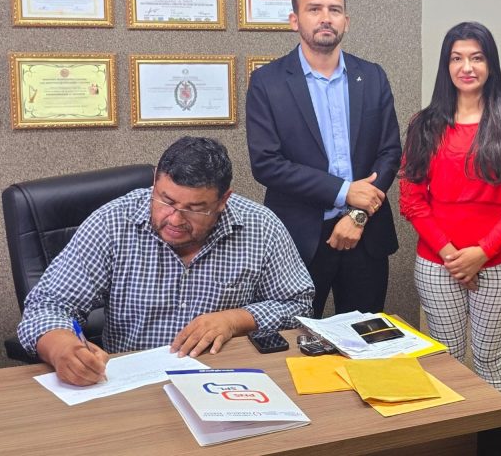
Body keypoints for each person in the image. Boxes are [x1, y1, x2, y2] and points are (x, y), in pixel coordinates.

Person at [17, 136, 315, 386]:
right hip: (130, 385)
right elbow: (47, 305)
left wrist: (235, 320)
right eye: (166, 201)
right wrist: (61, 348)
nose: (174, 219)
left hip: (224, 380)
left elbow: (299, 306)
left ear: (223, 201)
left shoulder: (260, 227)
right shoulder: (113, 222)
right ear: (155, 183)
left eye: (194, 209)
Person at [246, 0, 401, 317]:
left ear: (346, 21)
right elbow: (267, 163)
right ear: (295, 20)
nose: (325, 18)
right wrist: (345, 192)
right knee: (295, 334)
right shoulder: (267, 82)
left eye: (335, 10)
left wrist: (358, 213)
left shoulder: (372, 76)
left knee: (364, 334)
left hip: (365, 233)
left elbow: (389, 152)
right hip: (299, 239)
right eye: (314, 9)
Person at [399, 21, 501, 392]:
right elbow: (412, 200)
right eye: (457, 58)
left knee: (489, 357)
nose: (467, 67)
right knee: (445, 360)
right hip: (437, 264)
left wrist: (482, 253)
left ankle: (489, 429)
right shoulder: (423, 125)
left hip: (499, 263)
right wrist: (452, 256)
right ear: (446, 66)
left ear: (490, 64)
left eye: (477, 58)